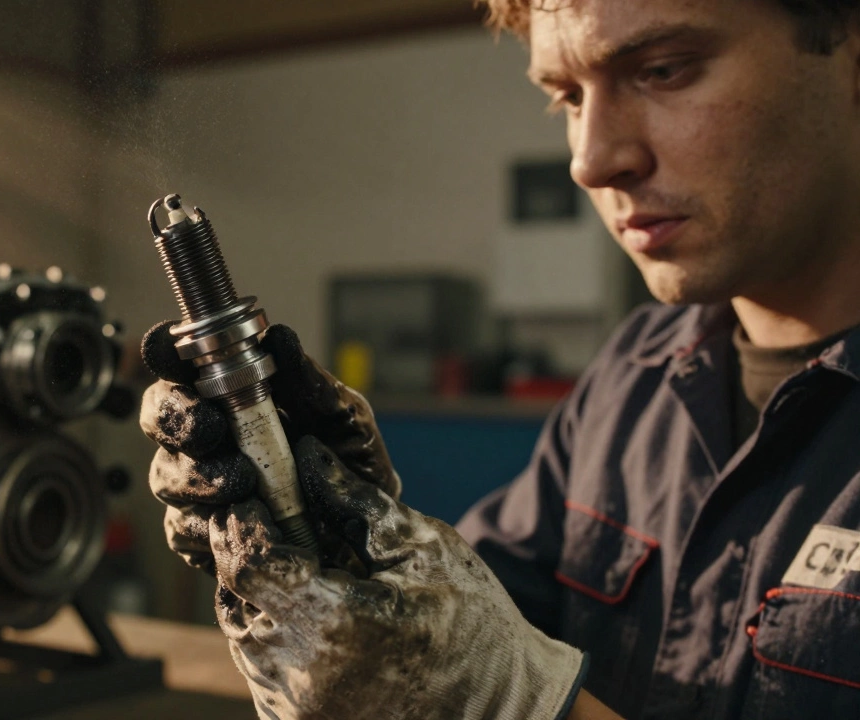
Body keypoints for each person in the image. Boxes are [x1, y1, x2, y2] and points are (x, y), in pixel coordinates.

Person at [138, 0, 860, 717]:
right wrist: (350, 548)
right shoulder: (635, 376)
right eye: (568, 97)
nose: (591, 161)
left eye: (665, 70)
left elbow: (493, 680)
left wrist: (513, 703)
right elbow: (487, 621)